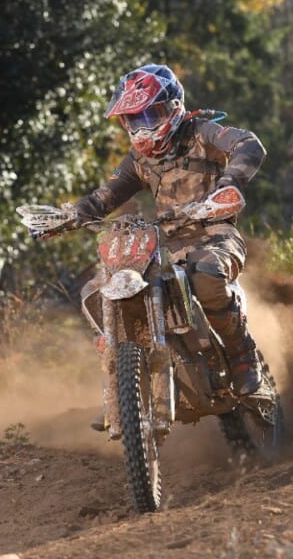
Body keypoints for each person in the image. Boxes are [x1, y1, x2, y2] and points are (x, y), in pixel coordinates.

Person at [75, 63, 267, 399]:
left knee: (206, 274)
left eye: (150, 117)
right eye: (133, 121)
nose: (141, 130)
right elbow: (105, 196)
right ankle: (123, 393)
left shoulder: (202, 132)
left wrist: (229, 184)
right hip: (164, 244)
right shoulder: (138, 160)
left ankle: (242, 356)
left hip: (213, 232)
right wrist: (68, 215)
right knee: (101, 287)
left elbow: (249, 145)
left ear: (174, 108)